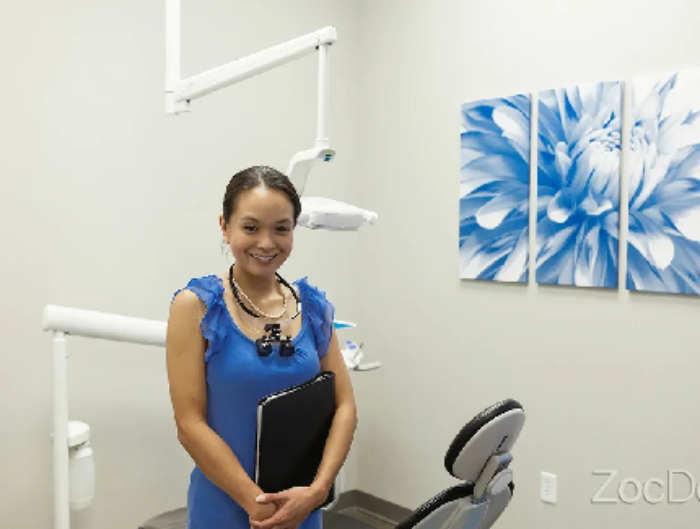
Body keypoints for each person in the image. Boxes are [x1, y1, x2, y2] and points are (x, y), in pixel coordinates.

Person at [165, 165, 358, 529]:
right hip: (227, 508)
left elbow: (344, 404)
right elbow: (190, 425)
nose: (266, 243)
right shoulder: (197, 306)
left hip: (301, 506)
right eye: (251, 227)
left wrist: (318, 491)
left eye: (281, 229)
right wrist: (259, 505)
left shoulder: (311, 306)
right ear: (225, 226)